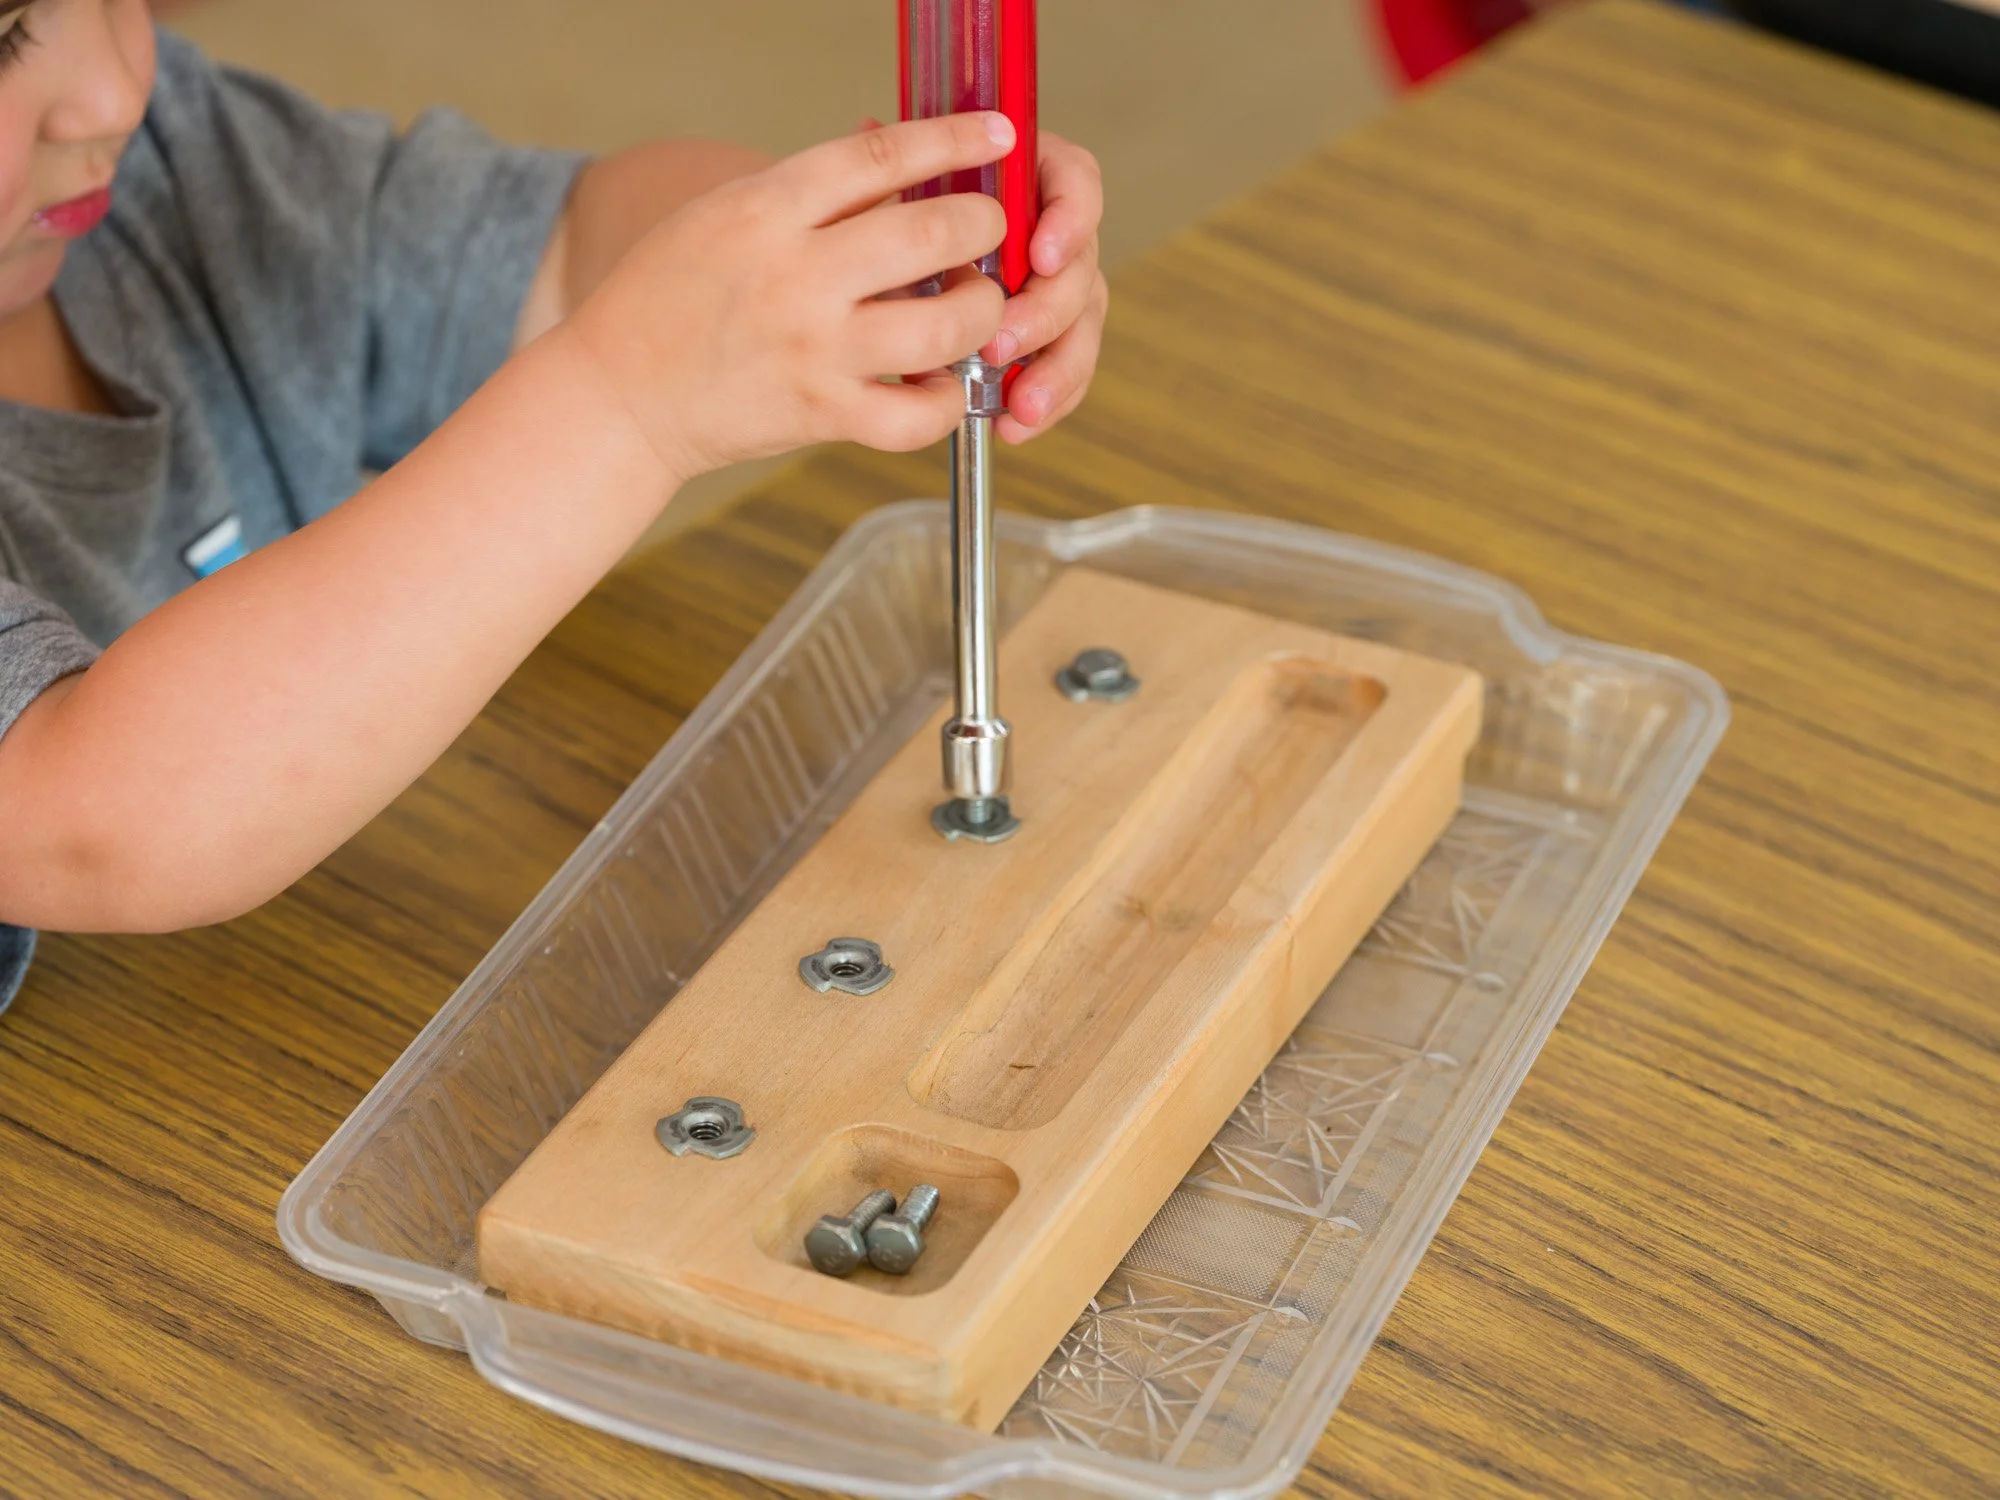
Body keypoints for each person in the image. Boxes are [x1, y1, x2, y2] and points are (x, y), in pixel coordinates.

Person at [0, 0, 1108, 1010]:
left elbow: (572, 250)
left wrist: (842, 265)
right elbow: (105, 817)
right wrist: (626, 399)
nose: (112, 86)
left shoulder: (176, 161)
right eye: (6, 35)